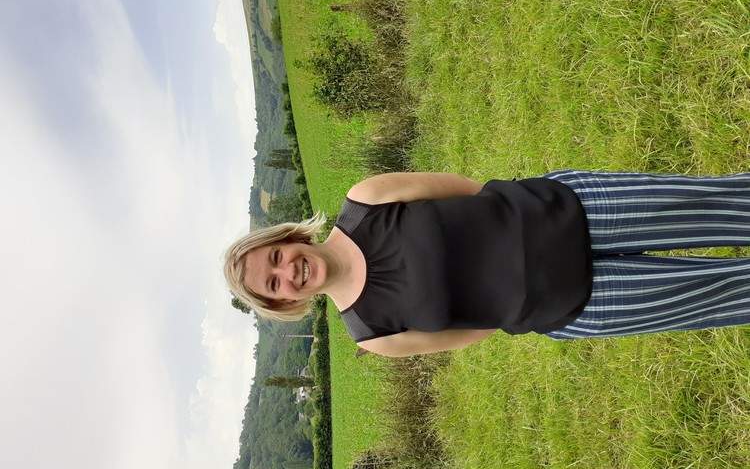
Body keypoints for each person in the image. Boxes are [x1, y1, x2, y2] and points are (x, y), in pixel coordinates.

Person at [223, 170, 750, 357]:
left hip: (570, 211)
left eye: (276, 257)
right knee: (722, 295)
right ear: (284, 302)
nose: (288, 271)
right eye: (275, 284)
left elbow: (465, 189)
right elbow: (473, 332)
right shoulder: (373, 334)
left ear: (286, 238)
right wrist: (518, 296)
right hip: (577, 305)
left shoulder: (366, 200)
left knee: (717, 206)